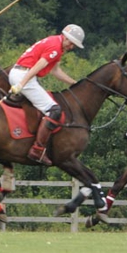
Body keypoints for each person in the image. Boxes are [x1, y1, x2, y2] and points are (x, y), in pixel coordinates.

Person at [9, 24, 84, 166]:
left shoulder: (55, 43)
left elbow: (55, 71)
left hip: (22, 74)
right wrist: (22, 83)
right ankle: (37, 150)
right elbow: (39, 65)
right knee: (54, 110)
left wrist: (74, 83)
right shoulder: (55, 48)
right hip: (24, 75)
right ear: (67, 39)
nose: (71, 47)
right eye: (72, 44)